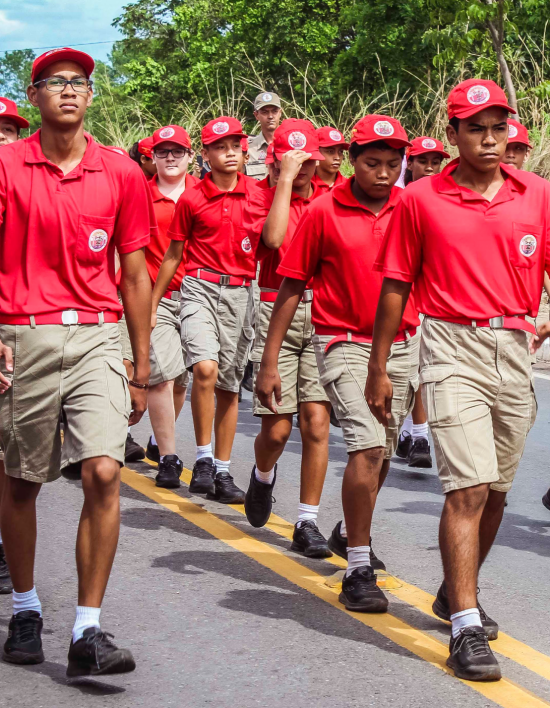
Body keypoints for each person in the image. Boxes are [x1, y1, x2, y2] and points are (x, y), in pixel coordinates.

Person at [366, 79, 547, 681]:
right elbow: (395, 283)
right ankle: (465, 625)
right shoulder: (421, 199)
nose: (490, 139)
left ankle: (452, 591)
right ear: (454, 135)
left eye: (500, 127)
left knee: (496, 491)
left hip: (514, 347)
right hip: (447, 342)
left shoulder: (537, 194)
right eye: (477, 128)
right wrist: (380, 364)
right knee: (466, 489)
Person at [0, 47, 155, 676]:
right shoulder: (7, 165)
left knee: (103, 473)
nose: (69, 91)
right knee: (20, 481)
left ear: (91, 96)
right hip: (23, 334)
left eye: (79, 83)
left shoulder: (121, 173)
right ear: (33, 95)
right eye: (55, 82)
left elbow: (137, 272)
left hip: (96, 336)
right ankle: (27, 605)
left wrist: (140, 364)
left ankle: (87, 630)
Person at [257, 115, 418, 602]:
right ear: (351, 160)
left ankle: (350, 531)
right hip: (342, 340)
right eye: (372, 162)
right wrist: (269, 360)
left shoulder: (412, 207)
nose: (384, 172)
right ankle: (358, 569)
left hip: (402, 346)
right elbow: (290, 283)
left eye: (394, 163)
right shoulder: (324, 211)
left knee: (383, 454)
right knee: (366, 447)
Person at [153, 116, 262, 503]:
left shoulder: (260, 195)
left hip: (243, 293)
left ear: (245, 149)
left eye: (235, 144)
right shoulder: (192, 198)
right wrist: (152, 305)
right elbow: (173, 255)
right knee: (204, 368)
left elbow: (274, 245)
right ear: (206, 153)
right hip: (198, 286)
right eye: (219, 146)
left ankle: (222, 469)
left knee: (230, 387)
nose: (229, 151)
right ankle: (201, 457)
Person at [244, 119, 332, 557]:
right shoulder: (256, 195)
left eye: (308, 163)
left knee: (317, 421)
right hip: (273, 310)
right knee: (277, 431)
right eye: (290, 163)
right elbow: (274, 239)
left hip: (321, 313)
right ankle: (262, 476)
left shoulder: (329, 201)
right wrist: (283, 184)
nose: (302, 173)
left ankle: (306, 520)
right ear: (273, 163)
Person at [146, 125, 198, 487]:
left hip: (198, 296)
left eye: (177, 151)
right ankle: (169, 457)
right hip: (155, 295)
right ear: (152, 158)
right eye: (162, 152)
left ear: (191, 157)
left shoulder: (204, 192)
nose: (169, 157)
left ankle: (156, 439)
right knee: (162, 376)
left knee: (181, 380)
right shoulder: (139, 194)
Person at [395, 136, 451, 469]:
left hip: (439, 297)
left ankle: (417, 434)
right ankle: (412, 431)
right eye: (422, 161)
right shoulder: (401, 199)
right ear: (409, 163)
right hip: (408, 296)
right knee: (411, 373)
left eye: (435, 162)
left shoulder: (450, 198)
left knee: (426, 370)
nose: (429, 168)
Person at [0, 97, 28, 596]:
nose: (1, 137)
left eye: (9, 129)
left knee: (9, 452)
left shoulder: (28, 187)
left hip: (19, 329)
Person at [247, 92, 282, 180]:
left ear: (280, 113)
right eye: (264, 112)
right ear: (256, 115)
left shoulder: (291, 145)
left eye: (274, 111)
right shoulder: (248, 149)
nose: (270, 116)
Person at [312, 127, 348, 193]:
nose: (337, 157)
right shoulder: (307, 185)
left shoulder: (349, 186)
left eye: (340, 151)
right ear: (317, 152)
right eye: (330, 151)